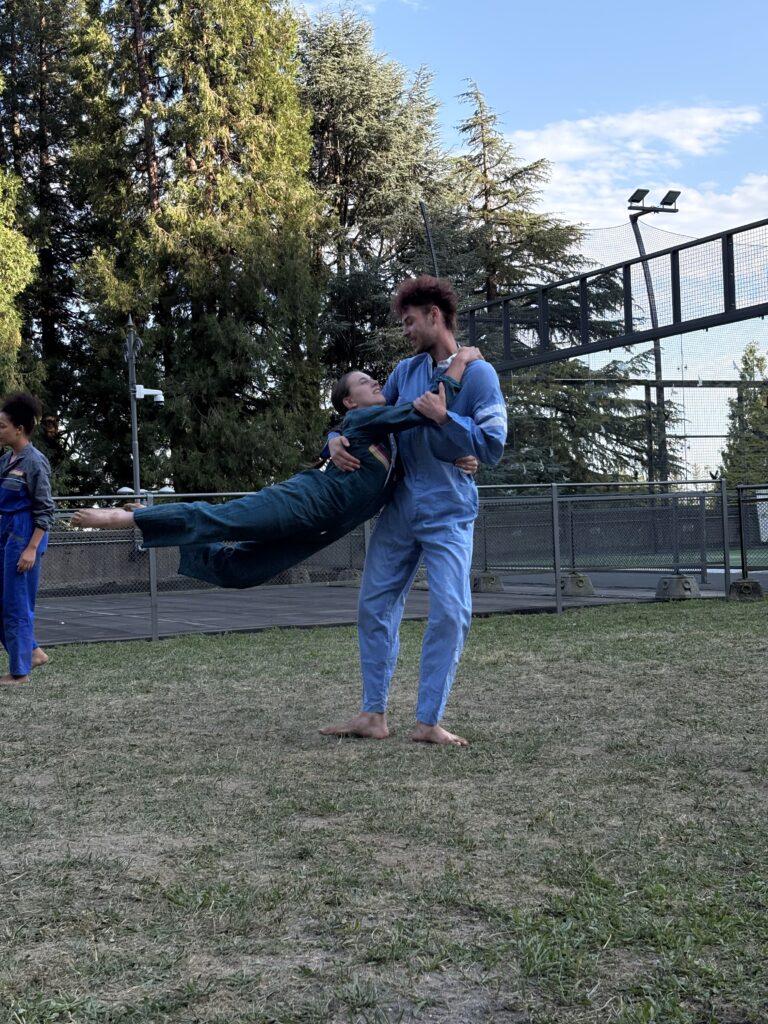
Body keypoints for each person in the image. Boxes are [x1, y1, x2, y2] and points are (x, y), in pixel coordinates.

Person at [70, 350, 482, 589]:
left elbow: (416, 458)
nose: (375, 382)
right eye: (364, 381)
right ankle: (130, 516)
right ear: (349, 402)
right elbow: (428, 408)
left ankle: (184, 541)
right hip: (306, 498)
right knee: (226, 518)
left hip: (325, 527)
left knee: (246, 571)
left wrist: (460, 458)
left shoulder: (389, 440)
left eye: (373, 378)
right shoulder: (361, 421)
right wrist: (461, 360)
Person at [320, 276, 508, 747]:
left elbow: (492, 444)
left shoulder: (480, 375)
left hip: (449, 509)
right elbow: (366, 416)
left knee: (450, 612)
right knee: (374, 605)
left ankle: (428, 721)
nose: (404, 331)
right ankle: (373, 715)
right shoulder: (405, 372)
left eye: (408, 322)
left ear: (434, 316)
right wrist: (334, 438)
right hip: (401, 506)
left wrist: (448, 420)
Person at [0, 392, 54, 686]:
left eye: (2, 426)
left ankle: (19, 673)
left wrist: (31, 548)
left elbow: (45, 510)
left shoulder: (35, 462)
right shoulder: (6, 460)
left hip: (25, 534)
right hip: (6, 531)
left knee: (17, 604)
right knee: (3, 602)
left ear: (19, 429)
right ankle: (32, 652)